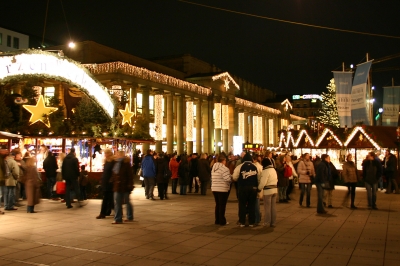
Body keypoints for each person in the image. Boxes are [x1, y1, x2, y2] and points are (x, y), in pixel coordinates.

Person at [232, 153, 261, 227]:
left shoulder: (240, 166)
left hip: (242, 187)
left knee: (242, 204)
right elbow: (259, 178)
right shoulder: (255, 166)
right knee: (252, 205)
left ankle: (242, 221)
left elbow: (234, 177)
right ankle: (251, 222)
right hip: (253, 188)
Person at [111, 151, 134, 224]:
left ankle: (129, 216)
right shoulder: (116, 163)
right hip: (117, 186)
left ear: (121, 155)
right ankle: (118, 219)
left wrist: (129, 185)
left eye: (117, 154)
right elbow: (114, 174)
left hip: (125, 186)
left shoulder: (126, 164)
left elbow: (130, 176)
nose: (116, 155)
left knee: (127, 202)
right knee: (117, 202)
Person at [211, 154, 232, 226]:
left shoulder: (214, 167)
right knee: (222, 205)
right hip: (222, 189)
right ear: (223, 161)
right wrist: (231, 178)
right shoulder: (225, 169)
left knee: (217, 204)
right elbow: (228, 179)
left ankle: (217, 220)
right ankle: (222, 220)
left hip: (214, 188)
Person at [258, 158, 278, 227]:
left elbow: (263, 182)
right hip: (275, 190)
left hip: (268, 191)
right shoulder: (273, 170)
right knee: (273, 207)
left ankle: (267, 222)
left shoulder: (266, 171)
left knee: (267, 208)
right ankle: (273, 222)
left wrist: (259, 189)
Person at [96, 149, 115, 219]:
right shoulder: (107, 161)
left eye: (106, 153)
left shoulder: (112, 162)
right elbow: (105, 172)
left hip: (109, 183)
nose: (105, 155)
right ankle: (107, 211)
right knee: (109, 198)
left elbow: (113, 172)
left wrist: (111, 179)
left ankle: (103, 213)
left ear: (109, 154)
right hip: (105, 182)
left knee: (106, 198)